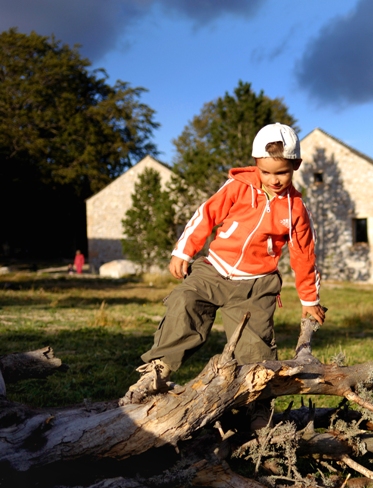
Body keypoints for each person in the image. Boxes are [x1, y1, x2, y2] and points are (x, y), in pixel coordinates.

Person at [120, 123, 325, 405]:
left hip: (256, 286)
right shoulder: (238, 187)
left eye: (282, 173)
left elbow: (304, 254)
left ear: (296, 165)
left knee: (256, 350)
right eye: (266, 172)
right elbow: (206, 215)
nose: (274, 179)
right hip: (213, 269)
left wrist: (309, 299)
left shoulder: (296, 209)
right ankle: (157, 372)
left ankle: (255, 408)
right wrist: (183, 251)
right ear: (255, 166)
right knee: (184, 302)